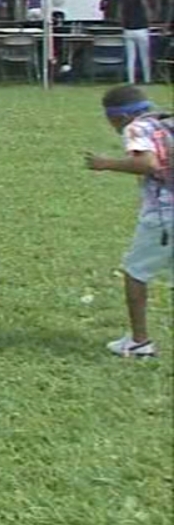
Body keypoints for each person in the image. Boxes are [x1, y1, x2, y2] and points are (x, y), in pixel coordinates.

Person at [85, 86, 171, 359]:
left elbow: (148, 163)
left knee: (135, 272)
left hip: (164, 213)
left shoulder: (136, 128)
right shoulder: (167, 121)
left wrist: (105, 163)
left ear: (119, 117)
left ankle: (139, 343)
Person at [121, 0, 153, 84]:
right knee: (145, 56)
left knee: (131, 57)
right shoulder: (142, 1)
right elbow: (149, 15)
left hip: (128, 30)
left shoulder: (124, 3)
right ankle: (147, 79)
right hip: (141, 29)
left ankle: (131, 80)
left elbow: (120, 16)